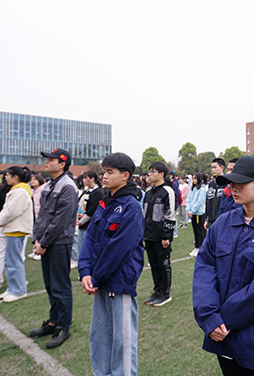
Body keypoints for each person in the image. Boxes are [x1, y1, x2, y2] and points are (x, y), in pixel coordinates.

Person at [193, 155, 254, 376]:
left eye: (242, 182)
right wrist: (209, 317)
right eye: (232, 182)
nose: (234, 188)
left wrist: (222, 319)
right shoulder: (223, 223)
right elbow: (204, 268)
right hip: (224, 336)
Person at [79, 153, 145, 376]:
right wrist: (85, 272)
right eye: (104, 171)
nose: (104, 176)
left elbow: (119, 250)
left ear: (125, 176)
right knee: (99, 337)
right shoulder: (105, 202)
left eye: (110, 171)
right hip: (100, 281)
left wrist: (94, 277)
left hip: (118, 283)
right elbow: (90, 239)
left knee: (122, 342)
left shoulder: (131, 207)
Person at [29, 149, 78, 349]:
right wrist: (37, 238)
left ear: (63, 164)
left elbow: (60, 220)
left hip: (59, 242)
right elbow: (41, 216)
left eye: (51, 160)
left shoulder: (67, 186)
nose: (47, 163)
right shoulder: (49, 185)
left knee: (60, 286)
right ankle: (53, 321)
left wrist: (45, 242)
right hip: (46, 242)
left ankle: (63, 326)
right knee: (50, 284)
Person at [0, 166, 34, 303]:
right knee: (10, 261)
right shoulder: (17, 190)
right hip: (12, 229)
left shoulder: (21, 191)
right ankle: (12, 288)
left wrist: (0, 220)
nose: (5, 177)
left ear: (15, 177)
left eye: (7, 175)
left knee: (14, 261)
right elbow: (7, 209)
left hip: (16, 229)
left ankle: (19, 290)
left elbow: (12, 211)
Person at [142, 161, 176, 307]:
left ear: (161, 174)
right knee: (154, 265)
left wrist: (166, 236)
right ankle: (157, 290)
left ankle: (165, 293)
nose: (149, 174)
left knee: (164, 265)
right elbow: (144, 214)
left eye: (153, 171)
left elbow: (170, 215)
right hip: (149, 235)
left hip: (161, 236)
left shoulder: (167, 191)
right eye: (149, 171)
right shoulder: (149, 192)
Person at [72, 171, 103, 269]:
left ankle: (90, 269)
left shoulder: (97, 192)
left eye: (86, 178)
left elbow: (92, 210)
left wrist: (81, 222)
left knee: (89, 248)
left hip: (89, 225)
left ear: (92, 179)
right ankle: (83, 268)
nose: (83, 180)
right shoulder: (86, 191)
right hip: (81, 223)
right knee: (82, 248)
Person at [187, 172, 207, 258]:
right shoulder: (193, 189)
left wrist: (193, 210)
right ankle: (196, 247)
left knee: (200, 231)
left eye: (195, 178)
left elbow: (200, 202)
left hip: (199, 214)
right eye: (193, 178)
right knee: (195, 231)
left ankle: (201, 248)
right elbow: (188, 199)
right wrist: (188, 210)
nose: (193, 180)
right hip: (193, 214)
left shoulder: (202, 189)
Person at [28, 174, 46, 261]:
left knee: (40, 232)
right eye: (31, 180)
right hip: (33, 214)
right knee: (35, 232)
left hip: (40, 214)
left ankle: (39, 250)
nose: (32, 182)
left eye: (35, 180)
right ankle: (35, 249)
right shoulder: (31, 191)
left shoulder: (42, 190)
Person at [204, 158, 226, 230]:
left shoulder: (227, 183)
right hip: (211, 221)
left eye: (215, 167)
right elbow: (208, 201)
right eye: (212, 167)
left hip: (223, 221)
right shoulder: (211, 184)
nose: (213, 170)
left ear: (222, 167)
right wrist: (206, 219)